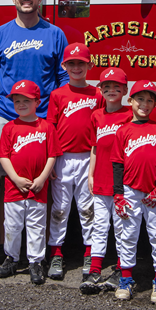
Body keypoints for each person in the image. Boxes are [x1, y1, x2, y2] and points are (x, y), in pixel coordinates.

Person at [0, 0, 68, 236]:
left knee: (44, 183)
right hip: (6, 119)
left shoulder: (55, 34)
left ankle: (42, 250)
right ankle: (10, 250)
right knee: (9, 185)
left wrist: (55, 114)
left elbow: (62, 77)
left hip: (42, 120)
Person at [45, 42, 102, 281]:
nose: (76, 67)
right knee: (60, 208)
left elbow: (102, 129)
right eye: (72, 63)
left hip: (89, 158)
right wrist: (51, 162)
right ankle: (56, 253)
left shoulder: (97, 94)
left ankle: (90, 251)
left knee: (88, 208)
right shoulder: (58, 94)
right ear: (64, 65)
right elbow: (51, 128)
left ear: (90, 65)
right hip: (63, 159)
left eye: (81, 63)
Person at [0, 80, 60, 285]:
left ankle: (36, 261)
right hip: (13, 187)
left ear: (37, 101)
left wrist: (42, 178)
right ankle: (12, 258)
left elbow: (52, 155)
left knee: (36, 225)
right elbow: (3, 156)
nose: (21, 104)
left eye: (26, 100)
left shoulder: (46, 127)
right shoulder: (9, 128)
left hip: (37, 187)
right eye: (17, 101)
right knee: (12, 225)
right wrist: (14, 177)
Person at [110, 81, 156, 304]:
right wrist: (118, 193)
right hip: (130, 191)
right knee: (128, 235)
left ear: (155, 103)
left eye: (149, 100)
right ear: (130, 101)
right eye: (140, 99)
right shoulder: (123, 131)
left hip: (154, 193)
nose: (145, 104)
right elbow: (117, 164)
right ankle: (126, 278)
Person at [79, 67, 131, 295]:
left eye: (116, 87)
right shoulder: (97, 116)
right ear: (100, 90)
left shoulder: (130, 115)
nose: (111, 91)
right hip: (100, 178)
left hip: (121, 182)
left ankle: (121, 268)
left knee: (121, 227)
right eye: (106, 87)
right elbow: (94, 147)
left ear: (125, 90)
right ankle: (95, 269)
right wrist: (90, 174)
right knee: (99, 225)